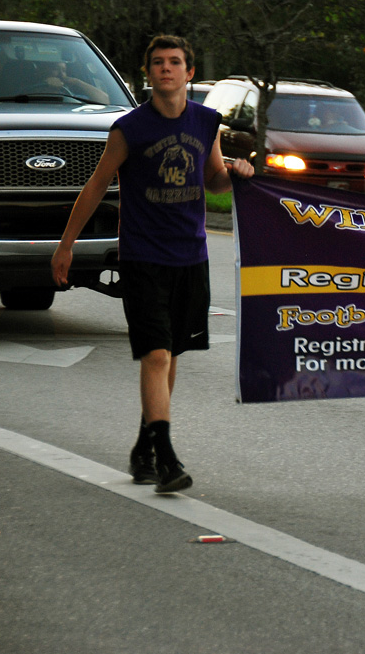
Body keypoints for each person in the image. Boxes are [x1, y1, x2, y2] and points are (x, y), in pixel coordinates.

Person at [52, 35, 254, 493]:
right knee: (156, 354)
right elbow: (96, 186)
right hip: (143, 258)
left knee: (171, 353)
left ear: (190, 72)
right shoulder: (130, 129)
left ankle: (143, 448)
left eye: (174, 62)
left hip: (191, 257)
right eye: (158, 63)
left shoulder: (206, 123)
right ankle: (165, 458)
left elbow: (214, 181)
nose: (166, 69)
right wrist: (66, 245)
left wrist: (237, 175)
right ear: (148, 74)